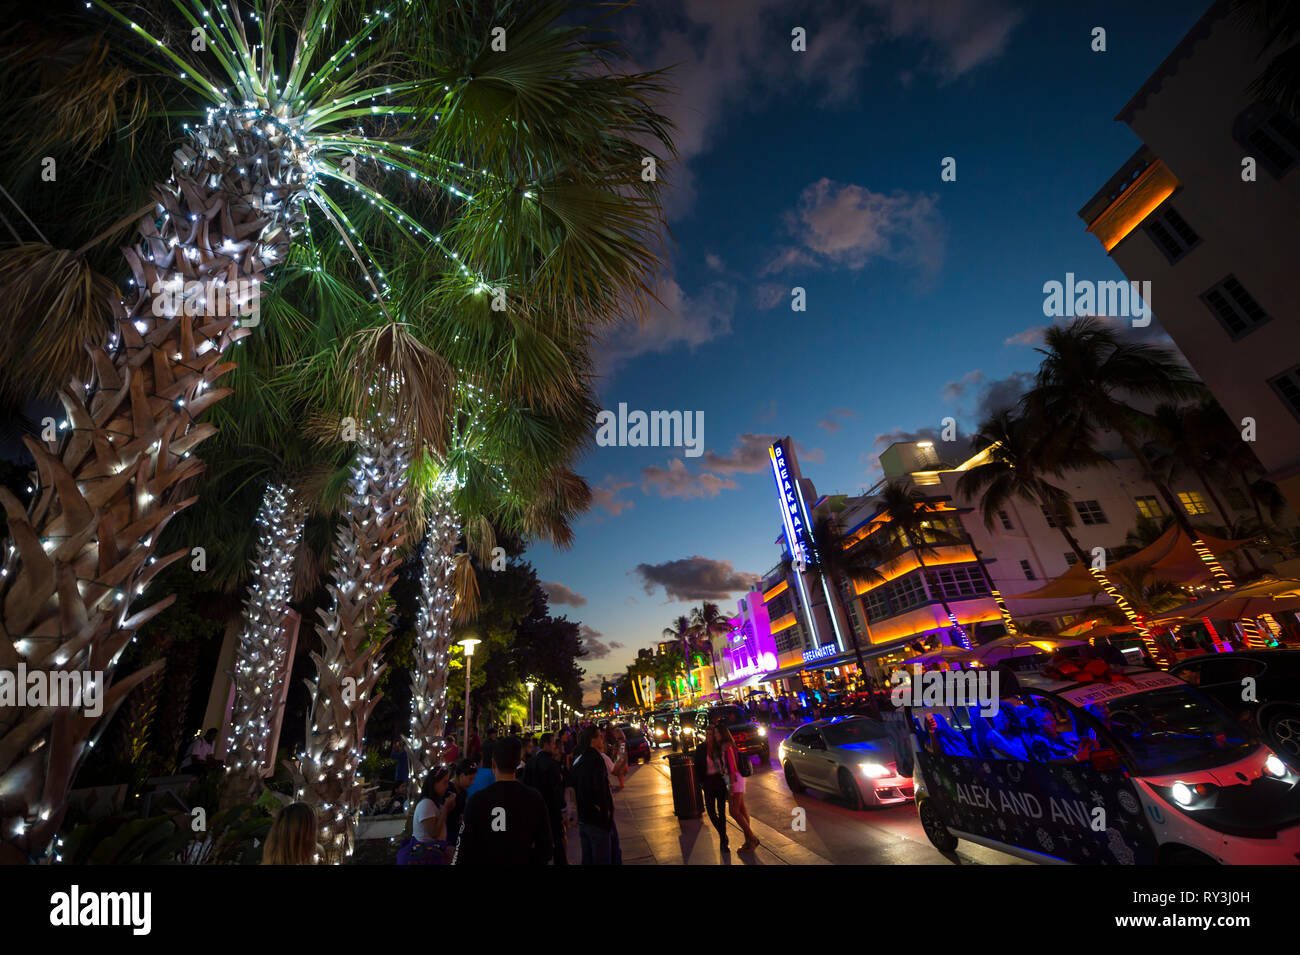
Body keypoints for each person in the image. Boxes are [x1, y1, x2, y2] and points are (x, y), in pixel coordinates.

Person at [452, 736, 552, 865]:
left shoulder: (477, 801)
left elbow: (462, 850)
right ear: (518, 763)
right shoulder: (534, 798)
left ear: (493, 763)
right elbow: (546, 849)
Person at [568, 725, 620, 865]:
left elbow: (573, 789)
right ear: (592, 740)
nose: (602, 740)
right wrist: (605, 812)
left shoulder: (578, 760)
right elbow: (599, 789)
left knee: (588, 858)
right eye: (599, 737)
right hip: (597, 821)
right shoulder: (597, 759)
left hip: (584, 819)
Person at [525, 733, 568, 865]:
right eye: (553, 743)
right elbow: (556, 790)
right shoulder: (551, 764)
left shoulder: (531, 762)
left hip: (536, 810)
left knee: (540, 841)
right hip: (551, 809)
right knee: (557, 839)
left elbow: (526, 785)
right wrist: (563, 808)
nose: (555, 746)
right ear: (546, 744)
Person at [399, 766, 456, 865]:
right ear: (435, 783)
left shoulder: (434, 802)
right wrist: (446, 809)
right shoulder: (426, 804)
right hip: (427, 854)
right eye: (444, 782)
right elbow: (434, 833)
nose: (447, 786)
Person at [716, 725, 758, 851]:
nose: (716, 735)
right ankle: (749, 842)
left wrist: (732, 787)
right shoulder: (729, 745)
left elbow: (732, 767)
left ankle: (752, 838)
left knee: (734, 812)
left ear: (722, 734)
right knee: (742, 811)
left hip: (733, 779)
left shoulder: (727, 747)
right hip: (736, 779)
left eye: (717, 733)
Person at [695, 726, 730, 852]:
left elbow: (725, 764)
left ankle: (723, 842)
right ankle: (723, 834)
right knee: (710, 812)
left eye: (712, 734)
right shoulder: (700, 749)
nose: (710, 736)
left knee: (721, 812)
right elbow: (697, 768)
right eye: (708, 734)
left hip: (719, 781)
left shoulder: (719, 748)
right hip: (708, 783)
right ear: (706, 735)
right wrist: (701, 783)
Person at [445, 758, 477, 839]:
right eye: (470, 779)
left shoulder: (463, 791)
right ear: (462, 776)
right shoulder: (448, 790)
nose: (472, 782)